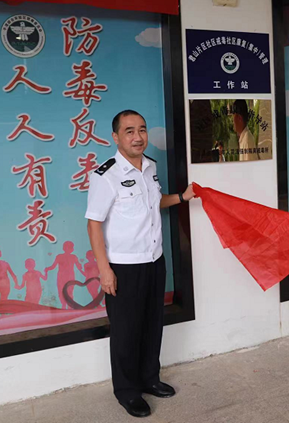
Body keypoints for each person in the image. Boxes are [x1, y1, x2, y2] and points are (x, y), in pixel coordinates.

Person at [86, 110, 195, 418]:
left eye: (142, 130)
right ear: (116, 137)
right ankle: (127, 391)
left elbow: (153, 202)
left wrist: (182, 197)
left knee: (151, 324)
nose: (138, 137)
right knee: (126, 331)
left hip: (154, 260)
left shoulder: (150, 167)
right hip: (124, 266)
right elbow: (93, 224)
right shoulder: (106, 176)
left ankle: (149, 378)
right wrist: (104, 270)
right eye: (130, 131)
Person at [44, 241, 85, 310]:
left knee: (69, 291)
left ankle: (69, 306)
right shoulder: (59, 256)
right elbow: (53, 266)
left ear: (72, 249)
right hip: (61, 276)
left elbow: (79, 267)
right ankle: (64, 305)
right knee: (61, 291)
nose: (68, 249)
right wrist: (47, 269)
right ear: (64, 248)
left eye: (70, 247)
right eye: (67, 247)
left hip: (70, 277)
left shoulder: (73, 257)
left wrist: (83, 271)